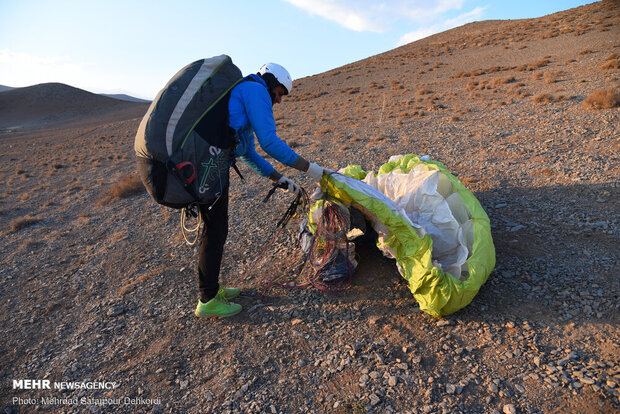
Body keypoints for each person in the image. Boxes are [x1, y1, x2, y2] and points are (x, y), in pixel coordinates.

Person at [194, 62, 330, 318]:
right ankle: (208, 299)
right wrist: (311, 169)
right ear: (269, 81)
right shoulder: (255, 91)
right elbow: (269, 141)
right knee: (215, 230)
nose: (278, 100)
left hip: (212, 164)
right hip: (209, 166)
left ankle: (212, 289)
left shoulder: (245, 94)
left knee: (216, 228)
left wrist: (279, 178)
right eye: (279, 92)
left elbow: (247, 152)